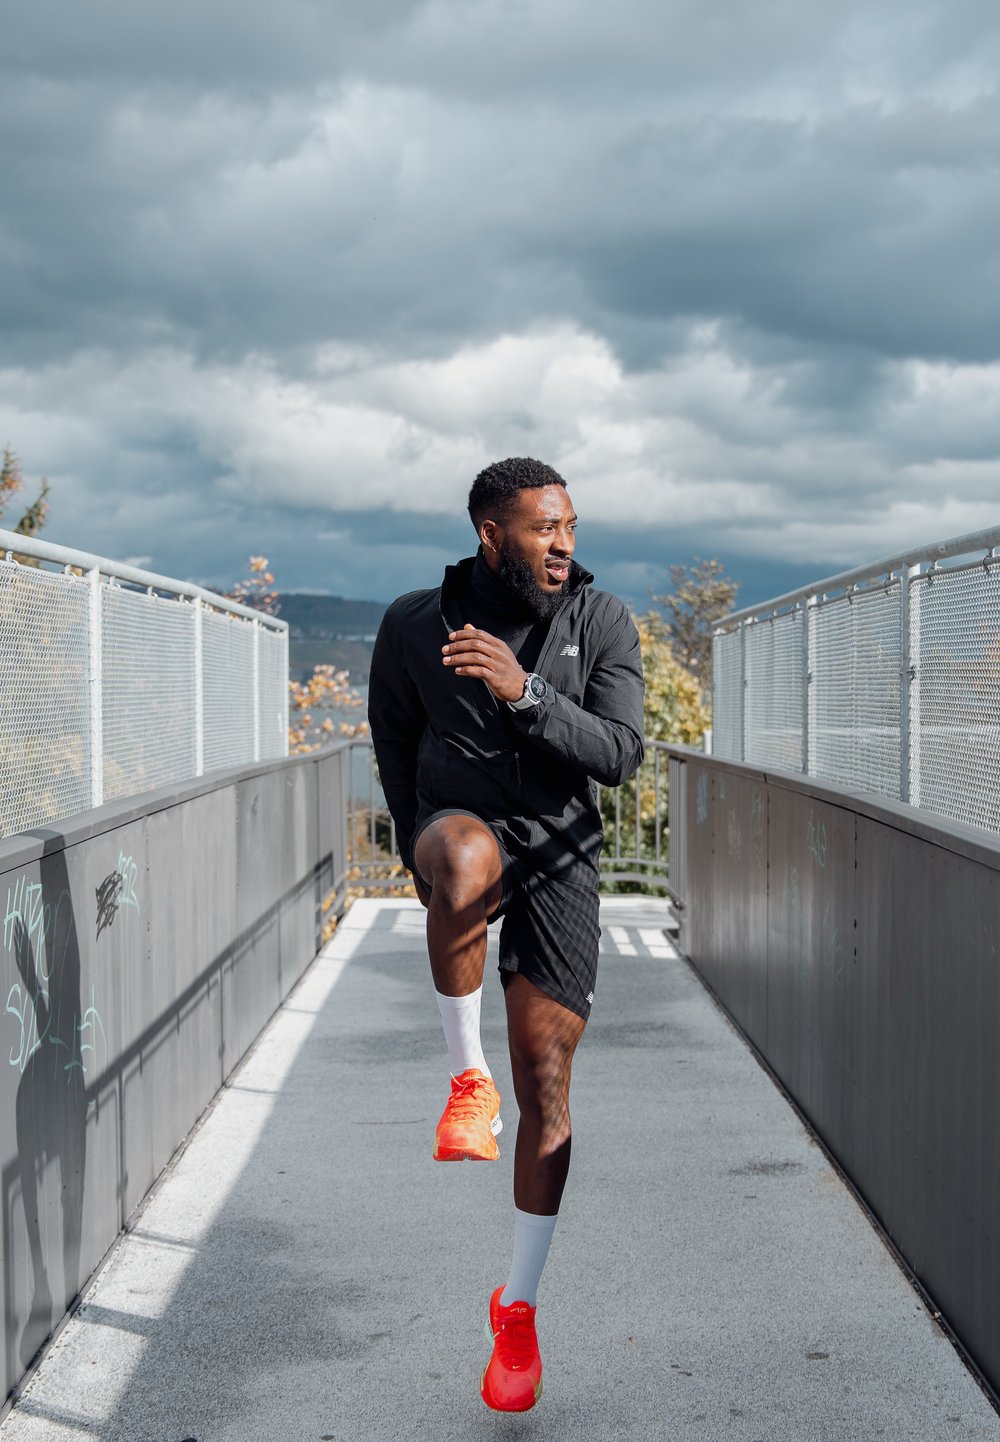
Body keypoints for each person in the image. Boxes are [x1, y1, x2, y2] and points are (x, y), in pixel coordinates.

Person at [368, 456, 644, 1411]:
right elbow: (394, 739)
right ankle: (463, 1078)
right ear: (491, 533)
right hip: (465, 828)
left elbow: (622, 753)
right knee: (466, 860)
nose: (564, 542)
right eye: (542, 527)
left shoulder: (600, 622)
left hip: (563, 854)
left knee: (551, 1089)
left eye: (570, 525)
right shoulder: (415, 623)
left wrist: (527, 694)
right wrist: (417, 845)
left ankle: (517, 1308)